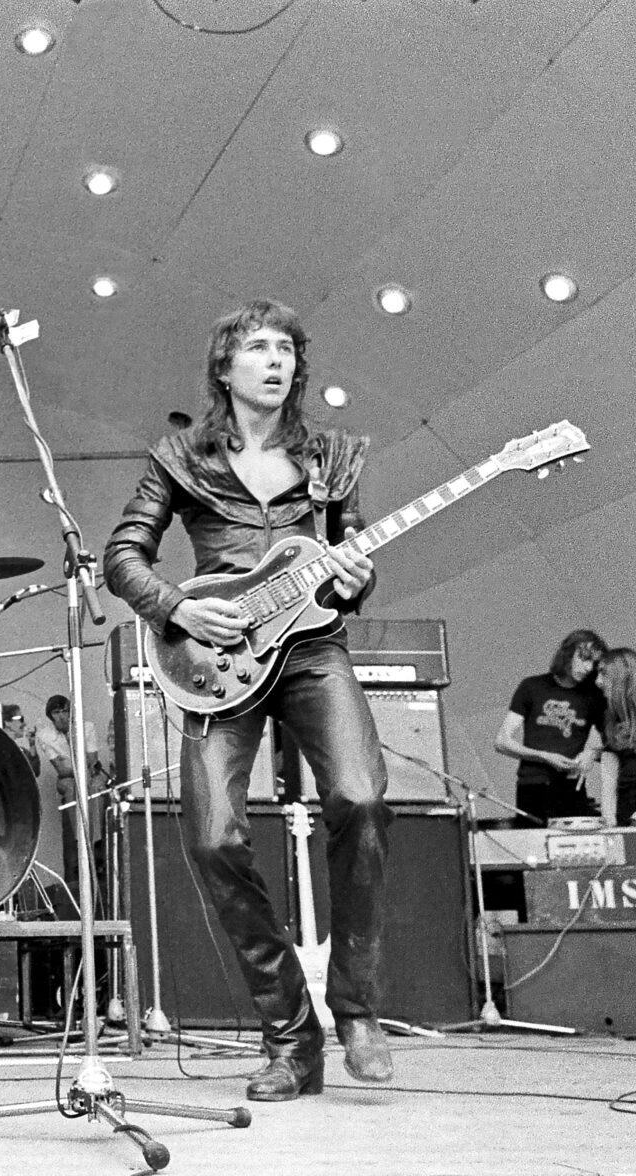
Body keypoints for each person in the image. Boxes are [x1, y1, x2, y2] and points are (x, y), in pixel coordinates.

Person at [103, 299, 392, 1101]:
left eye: (287, 348)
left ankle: (358, 1008)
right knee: (213, 838)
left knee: (362, 798)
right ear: (224, 369)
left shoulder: (333, 456)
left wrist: (357, 575)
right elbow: (123, 554)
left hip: (312, 650)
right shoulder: (181, 456)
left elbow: (349, 548)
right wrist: (175, 606)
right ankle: (291, 1040)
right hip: (218, 658)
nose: (276, 360)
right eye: (257, 347)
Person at [495, 630, 607, 825]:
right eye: (583, 659)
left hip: (571, 787)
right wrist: (544, 756)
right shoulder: (532, 687)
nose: (588, 667)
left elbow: (617, 744)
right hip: (532, 786)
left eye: (594, 663)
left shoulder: (594, 696)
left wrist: (592, 753)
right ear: (567, 653)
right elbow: (502, 741)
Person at [35, 694, 107, 911]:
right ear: (51, 716)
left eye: (65, 711)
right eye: (57, 713)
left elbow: (93, 761)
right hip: (70, 778)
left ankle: (96, 841)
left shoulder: (86, 727)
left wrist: (73, 740)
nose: (62, 716)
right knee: (70, 787)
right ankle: (80, 839)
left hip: (88, 774)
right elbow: (62, 769)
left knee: (96, 787)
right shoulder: (45, 735)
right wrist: (78, 761)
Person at [598, 648, 636, 827]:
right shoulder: (611, 720)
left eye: (603, 674)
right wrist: (609, 822)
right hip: (625, 821)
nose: (598, 682)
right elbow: (608, 780)